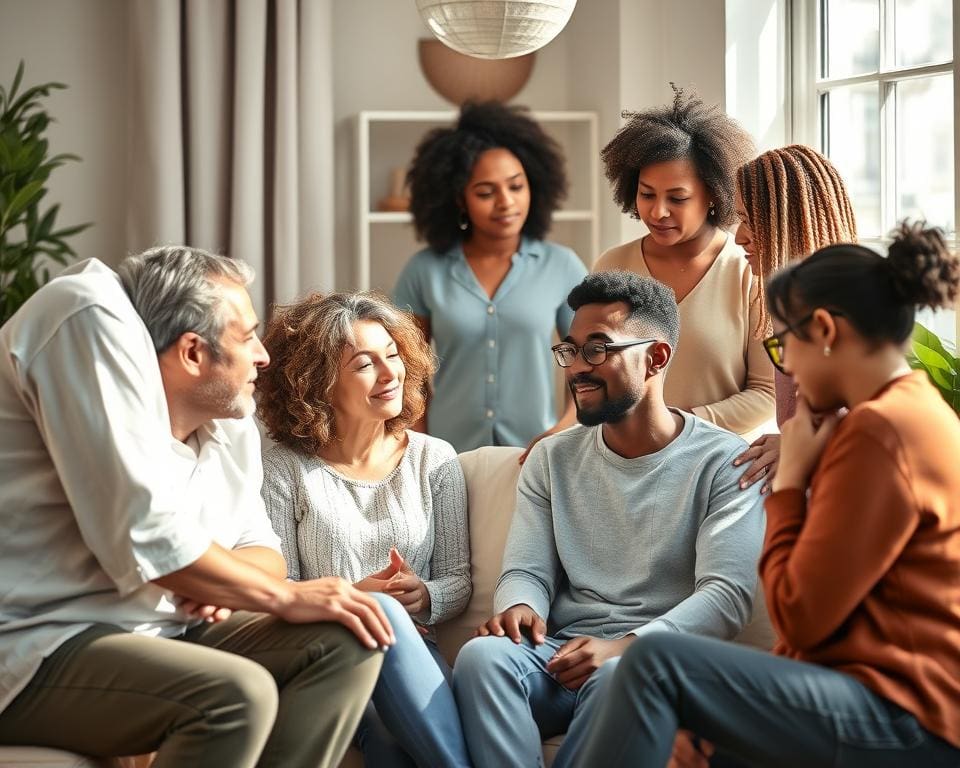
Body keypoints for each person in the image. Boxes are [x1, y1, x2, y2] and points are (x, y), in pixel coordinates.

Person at [576, 222, 960, 768]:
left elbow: (801, 615)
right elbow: (826, 622)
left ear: (824, 329)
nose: (789, 368)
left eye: (783, 344)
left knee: (653, 662)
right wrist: (711, 713)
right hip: (882, 699)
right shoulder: (908, 413)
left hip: (908, 714)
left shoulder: (882, 431)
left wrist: (790, 484)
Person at [0, 247, 394, 768]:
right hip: (41, 643)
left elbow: (260, 548)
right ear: (191, 352)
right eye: (248, 335)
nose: (264, 356)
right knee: (236, 694)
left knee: (349, 636)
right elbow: (146, 537)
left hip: (170, 633)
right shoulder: (84, 315)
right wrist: (271, 594)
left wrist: (216, 577)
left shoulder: (230, 426)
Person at [452, 270, 765, 768]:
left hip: (651, 663)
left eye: (598, 349)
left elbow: (728, 596)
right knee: (482, 658)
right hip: (559, 656)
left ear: (656, 357)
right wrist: (519, 606)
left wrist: (627, 647)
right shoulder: (551, 458)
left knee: (624, 677)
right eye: (570, 350)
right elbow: (527, 569)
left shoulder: (723, 462)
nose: (577, 366)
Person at [257, 291, 472, 768]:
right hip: (328, 658)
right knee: (379, 718)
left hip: (414, 659)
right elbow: (275, 588)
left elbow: (459, 579)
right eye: (364, 364)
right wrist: (352, 595)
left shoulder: (434, 459)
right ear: (317, 382)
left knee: (387, 729)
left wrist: (425, 595)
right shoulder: (283, 470)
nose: (390, 373)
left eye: (393, 355)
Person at [393, 100, 588, 455]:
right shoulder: (424, 271)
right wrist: (420, 449)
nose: (505, 202)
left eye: (516, 186)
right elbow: (407, 374)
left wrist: (563, 431)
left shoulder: (563, 267)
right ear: (459, 199)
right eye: (485, 192)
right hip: (449, 456)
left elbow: (590, 361)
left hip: (537, 454)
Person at [594, 87, 774, 438]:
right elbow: (590, 374)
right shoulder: (611, 267)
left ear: (713, 195)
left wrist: (676, 425)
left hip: (720, 469)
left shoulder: (749, 273)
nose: (658, 211)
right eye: (647, 194)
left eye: (677, 198)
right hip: (625, 463)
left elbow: (767, 393)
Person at [732, 144, 857, 493]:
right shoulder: (790, 310)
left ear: (786, 225)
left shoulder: (836, 317)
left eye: (747, 221)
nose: (739, 236)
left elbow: (871, 424)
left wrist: (795, 444)